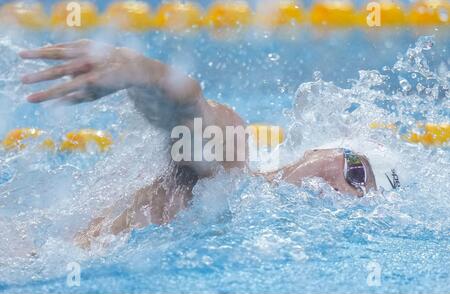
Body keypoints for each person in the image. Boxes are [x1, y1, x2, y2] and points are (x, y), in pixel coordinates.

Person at [19, 39, 378, 248]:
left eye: (360, 198)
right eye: (357, 173)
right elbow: (190, 118)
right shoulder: (233, 162)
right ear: (319, 150)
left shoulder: (264, 227)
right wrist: (146, 73)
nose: (345, 191)